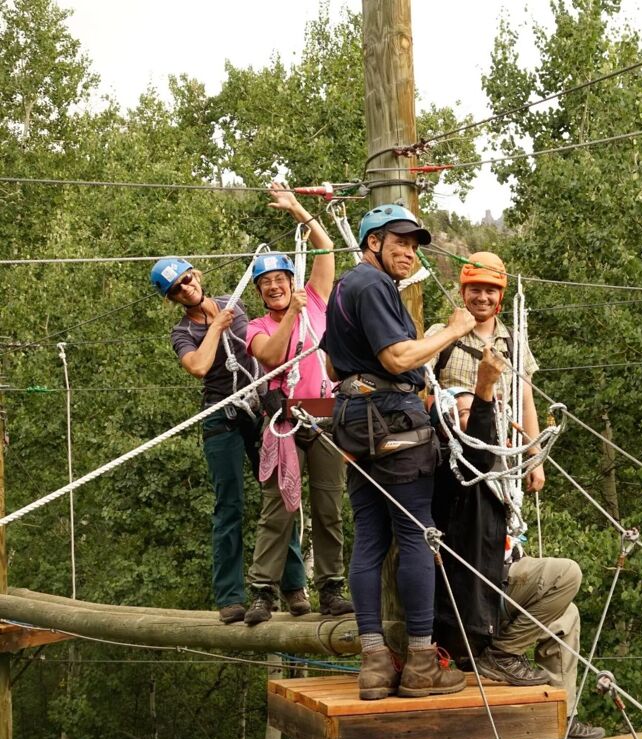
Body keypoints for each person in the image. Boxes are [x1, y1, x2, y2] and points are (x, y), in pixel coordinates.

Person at [322, 203, 475, 701]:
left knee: (369, 537)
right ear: (373, 243)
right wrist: (451, 331)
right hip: (393, 421)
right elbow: (395, 357)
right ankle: (422, 663)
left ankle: (373, 663)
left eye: (413, 244)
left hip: (353, 419)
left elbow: (331, 366)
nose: (408, 251)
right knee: (415, 535)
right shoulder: (374, 285)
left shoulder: (345, 288)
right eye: (399, 242)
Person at [431, 346, 605, 739]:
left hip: (499, 583)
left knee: (566, 617)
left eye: (471, 410)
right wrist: (485, 390)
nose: (467, 417)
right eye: (458, 413)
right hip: (475, 595)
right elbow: (474, 440)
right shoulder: (452, 465)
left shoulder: (493, 467)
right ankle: (502, 655)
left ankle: (555, 720)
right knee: (567, 574)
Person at [150, 256, 306, 624]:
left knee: (281, 494)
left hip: (258, 408)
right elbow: (199, 366)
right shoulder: (183, 332)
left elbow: (263, 342)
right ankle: (231, 597)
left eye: (187, 279)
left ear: (196, 274)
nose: (186, 287)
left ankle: (294, 585)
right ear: (172, 298)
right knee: (229, 505)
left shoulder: (235, 303)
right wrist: (216, 327)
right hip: (222, 416)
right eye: (177, 289)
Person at [244, 184, 352, 626]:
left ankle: (331, 587)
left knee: (328, 508)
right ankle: (263, 592)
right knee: (279, 511)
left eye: (280, 280)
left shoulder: (317, 303)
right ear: (260, 292)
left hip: (324, 416)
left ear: (292, 280)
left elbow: (326, 249)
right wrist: (291, 311)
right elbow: (270, 356)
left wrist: (297, 210)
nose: (274, 288)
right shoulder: (255, 325)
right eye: (266, 284)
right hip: (284, 420)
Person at [425, 251, 545, 493]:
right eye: (475, 290)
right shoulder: (441, 333)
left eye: (490, 291)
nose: (482, 298)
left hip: (497, 453)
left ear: (500, 296)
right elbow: (416, 384)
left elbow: (525, 403)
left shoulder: (514, 343)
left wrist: (535, 458)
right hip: (448, 452)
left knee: (497, 526)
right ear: (463, 292)